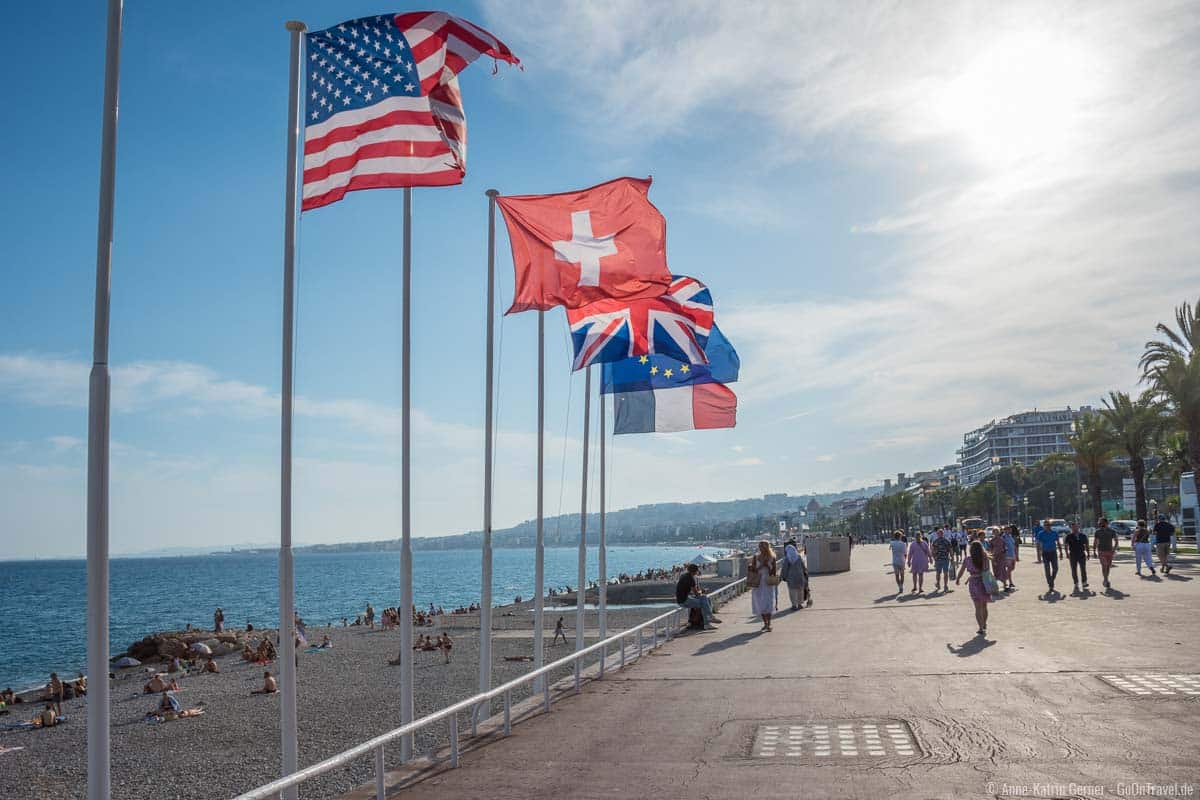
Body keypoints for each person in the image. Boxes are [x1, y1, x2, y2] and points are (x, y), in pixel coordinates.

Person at [955, 540, 992, 637]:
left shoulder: (967, 559)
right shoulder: (985, 558)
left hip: (974, 584)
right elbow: (987, 571)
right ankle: (984, 624)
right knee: (984, 606)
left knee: (977, 607)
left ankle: (980, 627)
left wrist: (958, 579)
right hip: (984, 583)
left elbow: (962, 570)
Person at [675, 563, 721, 630]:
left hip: (681, 599)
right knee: (704, 603)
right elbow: (696, 593)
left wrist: (701, 593)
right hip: (684, 601)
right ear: (695, 571)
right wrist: (702, 591)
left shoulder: (684, 576)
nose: (697, 572)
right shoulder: (691, 579)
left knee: (705, 598)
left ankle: (709, 619)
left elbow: (689, 591)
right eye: (697, 571)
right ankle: (708, 621)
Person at [748, 540, 777, 632]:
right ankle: (765, 623)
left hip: (768, 582)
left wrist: (767, 566)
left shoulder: (772, 558)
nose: (761, 548)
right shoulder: (755, 557)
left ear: (767, 547)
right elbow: (753, 570)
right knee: (760, 603)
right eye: (760, 546)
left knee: (768, 603)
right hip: (758, 582)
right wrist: (761, 566)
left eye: (763, 546)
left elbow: (773, 572)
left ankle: (769, 623)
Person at [780, 541, 810, 610]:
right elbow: (803, 566)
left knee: (792, 591)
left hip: (791, 577)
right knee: (800, 590)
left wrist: (782, 576)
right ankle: (800, 604)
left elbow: (785, 568)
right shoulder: (798, 557)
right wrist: (805, 573)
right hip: (800, 576)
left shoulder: (787, 558)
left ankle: (794, 605)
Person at [1091, 517, 1119, 589]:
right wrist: (1094, 551)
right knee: (1104, 565)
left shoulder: (1112, 531)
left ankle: (1105, 579)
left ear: (1106, 523)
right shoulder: (1097, 532)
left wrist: (1114, 549)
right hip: (1101, 551)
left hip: (1110, 551)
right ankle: (1106, 580)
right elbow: (1095, 542)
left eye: (1102, 523)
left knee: (1108, 566)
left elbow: (1116, 541)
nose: (1100, 524)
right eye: (1099, 523)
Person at [1034, 520, 1061, 594]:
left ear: (1050, 526)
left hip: (1053, 552)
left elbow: (1058, 542)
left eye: (1048, 525)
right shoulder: (1041, 533)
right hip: (1045, 553)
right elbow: (1038, 544)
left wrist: (1061, 552)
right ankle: (1050, 584)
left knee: (1056, 568)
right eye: (1046, 525)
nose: (1047, 526)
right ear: (1044, 526)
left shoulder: (1054, 533)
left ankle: (1051, 580)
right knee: (1047, 569)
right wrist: (1039, 555)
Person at [1063, 522, 1090, 593]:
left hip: (1081, 554)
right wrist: (1066, 554)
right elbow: (1066, 545)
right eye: (1073, 527)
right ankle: (1076, 583)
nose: (1075, 528)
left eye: (1076, 527)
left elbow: (1086, 545)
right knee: (1074, 569)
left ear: (1078, 527)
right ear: (1071, 528)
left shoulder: (1083, 535)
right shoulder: (1069, 536)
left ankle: (1084, 582)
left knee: (1083, 568)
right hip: (1073, 554)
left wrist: (1088, 553)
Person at [1006, 524, 1020, 590]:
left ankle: (1005, 575)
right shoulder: (1003, 537)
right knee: (1009, 568)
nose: (1009, 530)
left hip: (1013, 555)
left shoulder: (1011, 537)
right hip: (1007, 556)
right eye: (1008, 529)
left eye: (1010, 529)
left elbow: (1015, 546)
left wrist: (1017, 555)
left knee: (1012, 568)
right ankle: (1010, 582)